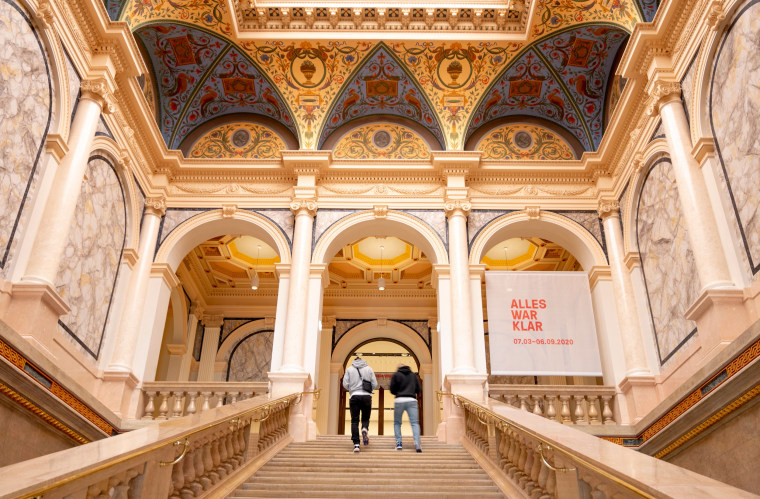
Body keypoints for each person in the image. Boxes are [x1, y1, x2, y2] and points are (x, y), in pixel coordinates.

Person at [342, 356, 378, 453]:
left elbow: (345, 384)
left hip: (354, 396)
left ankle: (356, 444)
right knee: (365, 418)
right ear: (363, 361)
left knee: (354, 421)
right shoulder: (369, 369)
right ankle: (365, 428)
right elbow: (375, 384)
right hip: (366, 396)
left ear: (354, 362)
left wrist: (352, 388)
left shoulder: (349, 369)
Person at [390, 364, 422, 452]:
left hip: (399, 400)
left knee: (397, 423)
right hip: (412, 400)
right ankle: (417, 443)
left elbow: (392, 390)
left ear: (398, 368)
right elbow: (419, 389)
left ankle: (399, 443)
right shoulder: (413, 375)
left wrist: (399, 391)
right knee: (415, 423)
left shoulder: (396, 375)